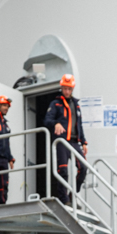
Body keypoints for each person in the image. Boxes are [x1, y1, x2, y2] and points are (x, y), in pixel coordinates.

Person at [43, 74, 86, 205]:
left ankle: (73, 194)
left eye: (69, 89)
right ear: (61, 88)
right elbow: (47, 120)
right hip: (61, 142)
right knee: (63, 170)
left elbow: (79, 125)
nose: (66, 91)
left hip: (74, 142)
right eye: (64, 88)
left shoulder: (76, 105)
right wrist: (56, 123)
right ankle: (64, 199)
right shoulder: (55, 103)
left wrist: (84, 142)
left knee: (83, 168)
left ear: (72, 89)